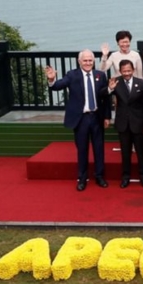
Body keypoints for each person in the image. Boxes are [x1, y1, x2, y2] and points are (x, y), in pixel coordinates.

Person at [45, 49, 111, 191]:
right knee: (82, 149)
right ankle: (82, 178)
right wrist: (51, 80)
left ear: (94, 62)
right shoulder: (72, 75)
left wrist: (107, 116)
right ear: (79, 61)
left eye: (90, 60)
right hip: (80, 119)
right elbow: (58, 86)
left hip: (97, 117)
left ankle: (99, 176)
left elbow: (105, 98)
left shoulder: (100, 75)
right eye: (85, 60)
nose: (88, 63)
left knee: (99, 149)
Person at [107, 59, 143, 188]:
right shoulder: (115, 82)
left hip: (138, 123)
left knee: (141, 152)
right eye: (124, 71)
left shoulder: (141, 83)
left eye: (129, 70)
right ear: (120, 71)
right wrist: (110, 89)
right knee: (125, 153)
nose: (127, 73)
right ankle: (125, 177)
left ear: (133, 70)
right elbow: (102, 94)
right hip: (123, 123)